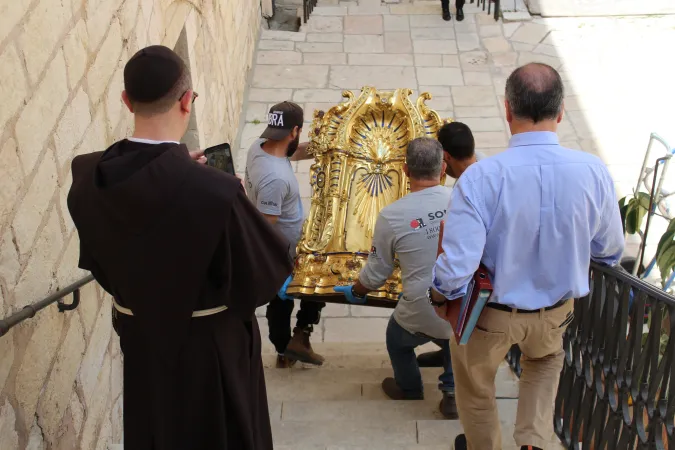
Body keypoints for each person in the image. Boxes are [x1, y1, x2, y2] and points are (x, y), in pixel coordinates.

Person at [67, 45, 293, 450]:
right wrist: (230, 200)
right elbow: (264, 276)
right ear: (187, 102)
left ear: (125, 101)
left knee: (155, 427)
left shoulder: (87, 176)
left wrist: (177, 170)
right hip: (209, 352)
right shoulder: (216, 192)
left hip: (139, 339)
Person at [429, 63, 624, 450]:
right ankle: (532, 441)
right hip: (555, 312)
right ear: (562, 110)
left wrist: (438, 296)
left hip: (491, 316)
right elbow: (610, 250)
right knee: (545, 362)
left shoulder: (481, 178)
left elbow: (456, 267)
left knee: (476, 385)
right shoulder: (593, 171)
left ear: (507, 109)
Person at [332, 137, 458, 419]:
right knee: (454, 333)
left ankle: (410, 387)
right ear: (442, 170)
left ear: (404, 170)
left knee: (396, 338)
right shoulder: (463, 201)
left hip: (423, 307)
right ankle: (452, 392)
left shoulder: (391, 216)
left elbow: (376, 274)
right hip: (464, 307)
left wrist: (357, 289)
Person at [245, 101, 325, 368]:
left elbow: (291, 153)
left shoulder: (259, 147)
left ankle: (287, 348)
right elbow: (267, 224)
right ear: (295, 130)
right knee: (290, 298)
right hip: (283, 250)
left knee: (290, 298)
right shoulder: (276, 178)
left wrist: (325, 147)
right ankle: (291, 342)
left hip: (284, 247)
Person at [417, 121, 483, 368]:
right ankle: (448, 354)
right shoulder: (485, 164)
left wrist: (439, 298)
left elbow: (456, 256)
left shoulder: (464, 192)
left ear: (445, 157)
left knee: (462, 331)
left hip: (473, 276)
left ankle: (450, 381)